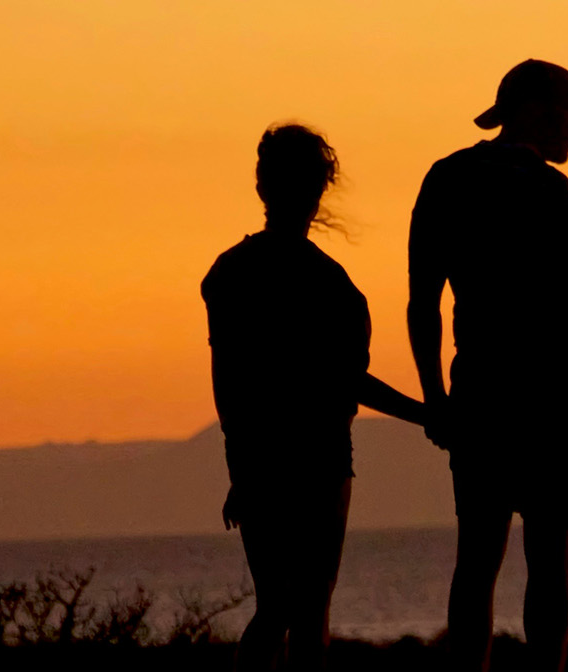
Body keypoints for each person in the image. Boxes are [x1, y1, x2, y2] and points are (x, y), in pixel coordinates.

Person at [407, 59, 568, 672]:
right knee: (549, 559)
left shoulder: (447, 177)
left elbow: (422, 302)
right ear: (540, 112)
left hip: (479, 392)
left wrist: (435, 397)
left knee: (477, 558)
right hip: (552, 396)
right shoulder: (548, 189)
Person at [202, 123, 425, 672]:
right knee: (296, 607)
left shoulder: (245, 272)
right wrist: (425, 414)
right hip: (301, 457)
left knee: (292, 607)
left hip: (297, 455)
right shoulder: (310, 280)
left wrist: (242, 467)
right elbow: (341, 380)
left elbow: (233, 386)